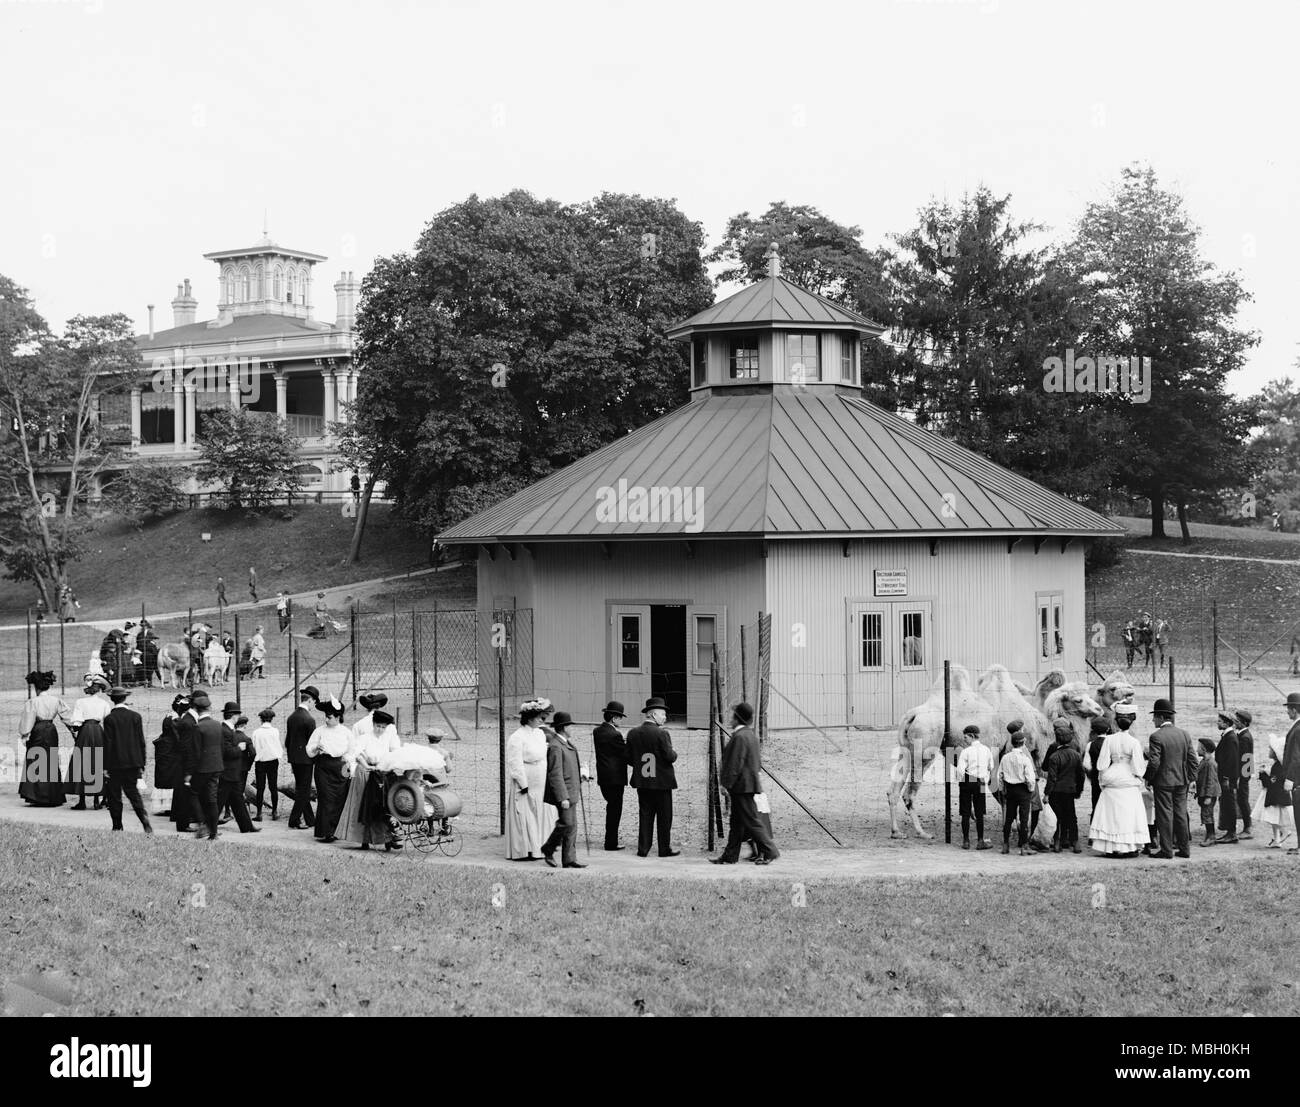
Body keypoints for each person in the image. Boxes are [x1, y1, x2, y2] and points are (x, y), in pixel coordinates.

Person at [711, 702, 780, 865]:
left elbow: (735, 763)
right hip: (747, 785)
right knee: (736, 823)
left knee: (752, 820)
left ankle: (771, 851)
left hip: (742, 786)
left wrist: (725, 783)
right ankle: (730, 856)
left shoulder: (740, 736)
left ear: (737, 718)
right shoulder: (749, 735)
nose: (731, 719)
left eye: (733, 716)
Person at [340, 709, 404, 851]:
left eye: (383, 727)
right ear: (373, 724)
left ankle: (388, 839)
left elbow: (394, 753)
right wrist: (367, 766)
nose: (380, 729)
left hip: (382, 773)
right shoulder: (365, 738)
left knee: (385, 805)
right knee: (366, 806)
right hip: (367, 774)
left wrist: (389, 765)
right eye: (378, 726)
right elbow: (356, 754)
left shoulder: (387, 738)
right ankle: (364, 840)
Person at [625, 696, 679, 858]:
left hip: (643, 780)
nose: (665, 717)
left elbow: (628, 758)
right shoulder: (662, 734)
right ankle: (664, 849)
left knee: (645, 815)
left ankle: (643, 848)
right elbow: (670, 756)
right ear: (653, 715)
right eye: (663, 714)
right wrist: (675, 753)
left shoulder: (633, 733)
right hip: (662, 783)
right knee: (664, 817)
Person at [1088, 714, 1149, 858]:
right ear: (1130, 725)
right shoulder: (1134, 741)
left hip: (1113, 772)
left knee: (1111, 814)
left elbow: (1102, 762)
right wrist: (1137, 775)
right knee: (1129, 814)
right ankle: (1130, 846)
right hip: (1127, 774)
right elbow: (1138, 765)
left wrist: (1103, 776)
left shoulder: (1109, 739)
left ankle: (1111, 846)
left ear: (1116, 725)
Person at [504, 699, 556, 860]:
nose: (542, 720)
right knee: (526, 814)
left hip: (540, 778)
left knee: (540, 812)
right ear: (529, 718)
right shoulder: (517, 737)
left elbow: (544, 757)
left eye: (543, 717)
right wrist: (523, 783)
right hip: (526, 780)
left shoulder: (540, 734)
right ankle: (524, 849)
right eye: (539, 717)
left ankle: (539, 847)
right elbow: (515, 762)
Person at [1144, 697, 1195, 859]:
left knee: (1164, 815)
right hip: (1182, 780)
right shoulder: (1184, 734)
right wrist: (1191, 779)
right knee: (1180, 813)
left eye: (1154, 717)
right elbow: (1193, 759)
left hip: (1163, 782)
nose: (1152, 720)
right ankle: (1184, 849)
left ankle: (1166, 850)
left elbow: (1154, 762)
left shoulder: (1156, 736)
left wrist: (1148, 778)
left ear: (1160, 717)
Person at [102, 686, 151, 833]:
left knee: (114, 795)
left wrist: (105, 766)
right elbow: (141, 741)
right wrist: (141, 763)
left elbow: (108, 744)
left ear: (112, 699)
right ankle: (144, 819)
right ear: (125, 698)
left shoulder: (110, 719)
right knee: (133, 793)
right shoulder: (136, 717)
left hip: (115, 764)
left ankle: (117, 825)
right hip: (132, 763)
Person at [541, 711, 587, 869]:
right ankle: (548, 848)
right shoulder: (555, 746)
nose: (571, 729)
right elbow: (555, 774)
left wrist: (581, 775)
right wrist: (562, 797)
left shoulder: (566, 744)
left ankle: (569, 859)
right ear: (563, 727)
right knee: (566, 823)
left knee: (572, 826)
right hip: (565, 794)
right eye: (569, 726)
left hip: (572, 791)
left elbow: (569, 768)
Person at [18, 670, 70, 807]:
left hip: (38, 730)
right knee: (51, 760)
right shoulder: (56, 700)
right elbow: (67, 717)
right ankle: (52, 795)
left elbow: (27, 722)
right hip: (51, 730)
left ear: (37, 687)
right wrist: (74, 729)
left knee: (36, 760)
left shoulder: (33, 702)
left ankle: (36, 795)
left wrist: (25, 734)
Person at [306, 696, 351, 842]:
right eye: (326, 717)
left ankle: (335, 830)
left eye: (330, 717)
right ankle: (325, 831)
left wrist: (348, 761)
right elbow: (309, 748)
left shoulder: (345, 732)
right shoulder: (320, 731)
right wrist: (315, 748)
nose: (326, 720)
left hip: (340, 767)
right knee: (325, 798)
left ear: (338, 717)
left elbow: (353, 749)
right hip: (323, 767)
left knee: (339, 799)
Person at [182, 691, 224, 840]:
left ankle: (202, 823)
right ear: (209, 708)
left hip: (202, 768)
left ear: (196, 709)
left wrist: (188, 772)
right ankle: (213, 833)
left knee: (193, 793)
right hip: (217, 766)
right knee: (212, 799)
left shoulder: (198, 727)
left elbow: (195, 753)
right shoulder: (218, 725)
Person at [68, 674, 110, 811]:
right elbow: (108, 720)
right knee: (97, 762)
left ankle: (82, 801)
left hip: (85, 732)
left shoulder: (80, 702)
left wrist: (76, 732)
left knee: (82, 763)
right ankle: (97, 800)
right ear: (99, 690)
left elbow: (76, 722)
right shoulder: (104, 703)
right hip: (98, 732)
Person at [1044, 719, 1084, 853]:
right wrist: (1079, 790)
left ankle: (1057, 842)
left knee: (1057, 816)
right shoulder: (1077, 754)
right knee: (1072, 816)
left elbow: (1051, 776)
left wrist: (1047, 793)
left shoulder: (1054, 754)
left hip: (1056, 790)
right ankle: (1075, 841)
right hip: (1070, 789)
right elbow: (1081, 775)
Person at [592, 700, 628, 851]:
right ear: (614, 718)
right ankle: (611, 842)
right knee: (615, 810)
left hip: (604, 776)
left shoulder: (598, 731)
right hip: (615, 778)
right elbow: (624, 754)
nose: (621, 720)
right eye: (620, 717)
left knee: (611, 808)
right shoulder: (615, 735)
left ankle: (610, 841)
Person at [285, 686, 320, 830]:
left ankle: (310, 819)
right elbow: (312, 744)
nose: (313, 706)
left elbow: (287, 741)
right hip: (306, 760)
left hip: (294, 758)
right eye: (314, 702)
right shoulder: (309, 720)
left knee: (301, 788)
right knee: (303, 791)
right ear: (310, 700)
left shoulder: (291, 717)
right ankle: (294, 820)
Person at [997, 729, 1036, 855]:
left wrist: (1002, 789)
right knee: (1024, 818)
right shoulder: (1025, 759)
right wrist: (1030, 789)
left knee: (1009, 817)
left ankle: (1005, 844)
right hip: (1023, 789)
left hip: (1010, 789)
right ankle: (1024, 846)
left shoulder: (1005, 758)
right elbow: (1030, 777)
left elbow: (1000, 776)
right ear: (1023, 742)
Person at [955, 723, 993, 850]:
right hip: (981, 781)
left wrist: (960, 781)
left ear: (971, 736)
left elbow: (960, 770)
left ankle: (966, 841)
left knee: (965, 812)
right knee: (980, 812)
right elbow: (991, 767)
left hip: (967, 780)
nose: (964, 740)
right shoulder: (987, 750)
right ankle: (981, 840)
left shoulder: (966, 751)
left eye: (965, 737)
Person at [1254, 735, 1295, 849]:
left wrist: (1262, 774)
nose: (1269, 750)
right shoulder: (1278, 766)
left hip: (1275, 797)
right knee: (1273, 818)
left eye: (1271, 749)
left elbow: (1271, 782)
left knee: (1271, 818)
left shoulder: (1278, 767)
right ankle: (1277, 839)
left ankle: (1284, 831)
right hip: (1277, 796)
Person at [153, 694, 187, 821]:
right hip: (171, 749)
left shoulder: (169, 716)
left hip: (165, 749)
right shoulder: (175, 719)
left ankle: (166, 805)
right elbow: (177, 737)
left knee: (167, 775)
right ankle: (169, 806)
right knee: (170, 775)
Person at [251, 707, 283, 821]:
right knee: (273, 787)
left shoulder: (256, 732)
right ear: (271, 719)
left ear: (261, 719)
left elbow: (254, 747)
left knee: (260, 788)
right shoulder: (275, 731)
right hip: (273, 761)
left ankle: (259, 813)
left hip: (260, 762)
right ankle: (274, 811)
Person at [1215, 712, 1241, 844]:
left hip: (1227, 779)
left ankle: (1232, 833)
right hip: (1226, 778)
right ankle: (1229, 831)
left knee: (1229, 804)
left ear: (1226, 723)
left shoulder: (1230, 738)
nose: (1217, 723)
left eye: (1219, 721)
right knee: (1226, 803)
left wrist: (1226, 778)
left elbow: (1230, 760)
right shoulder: (1228, 736)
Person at [1082, 714, 1112, 816]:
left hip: (1096, 778)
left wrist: (1091, 774)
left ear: (1093, 730)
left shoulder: (1090, 745)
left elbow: (1086, 764)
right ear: (1108, 729)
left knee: (1096, 803)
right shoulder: (1112, 743)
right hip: (1111, 778)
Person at [1195, 736, 1221, 846]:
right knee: (1206, 813)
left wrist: (1208, 796)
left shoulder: (1210, 763)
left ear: (1204, 749)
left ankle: (1211, 837)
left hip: (1208, 794)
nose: (1197, 750)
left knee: (1207, 814)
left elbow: (1211, 781)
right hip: (1204, 793)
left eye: (1199, 747)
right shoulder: (1205, 761)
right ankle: (1209, 836)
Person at [1234, 708, 1254, 840]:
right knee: (1242, 799)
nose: (1234, 721)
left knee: (1243, 799)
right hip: (1243, 774)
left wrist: (1242, 778)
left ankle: (1248, 828)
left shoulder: (1245, 737)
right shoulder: (1242, 735)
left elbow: (1247, 758)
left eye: (1237, 720)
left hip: (1242, 775)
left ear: (1242, 722)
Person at [1285, 693, 1300, 855]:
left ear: (1294, 710)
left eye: (1288, 709)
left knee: (1299, 813)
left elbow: (1296, 758)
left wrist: (1289, 778)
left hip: (1297, 779)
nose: (1287, 713)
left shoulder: (1297, 729)